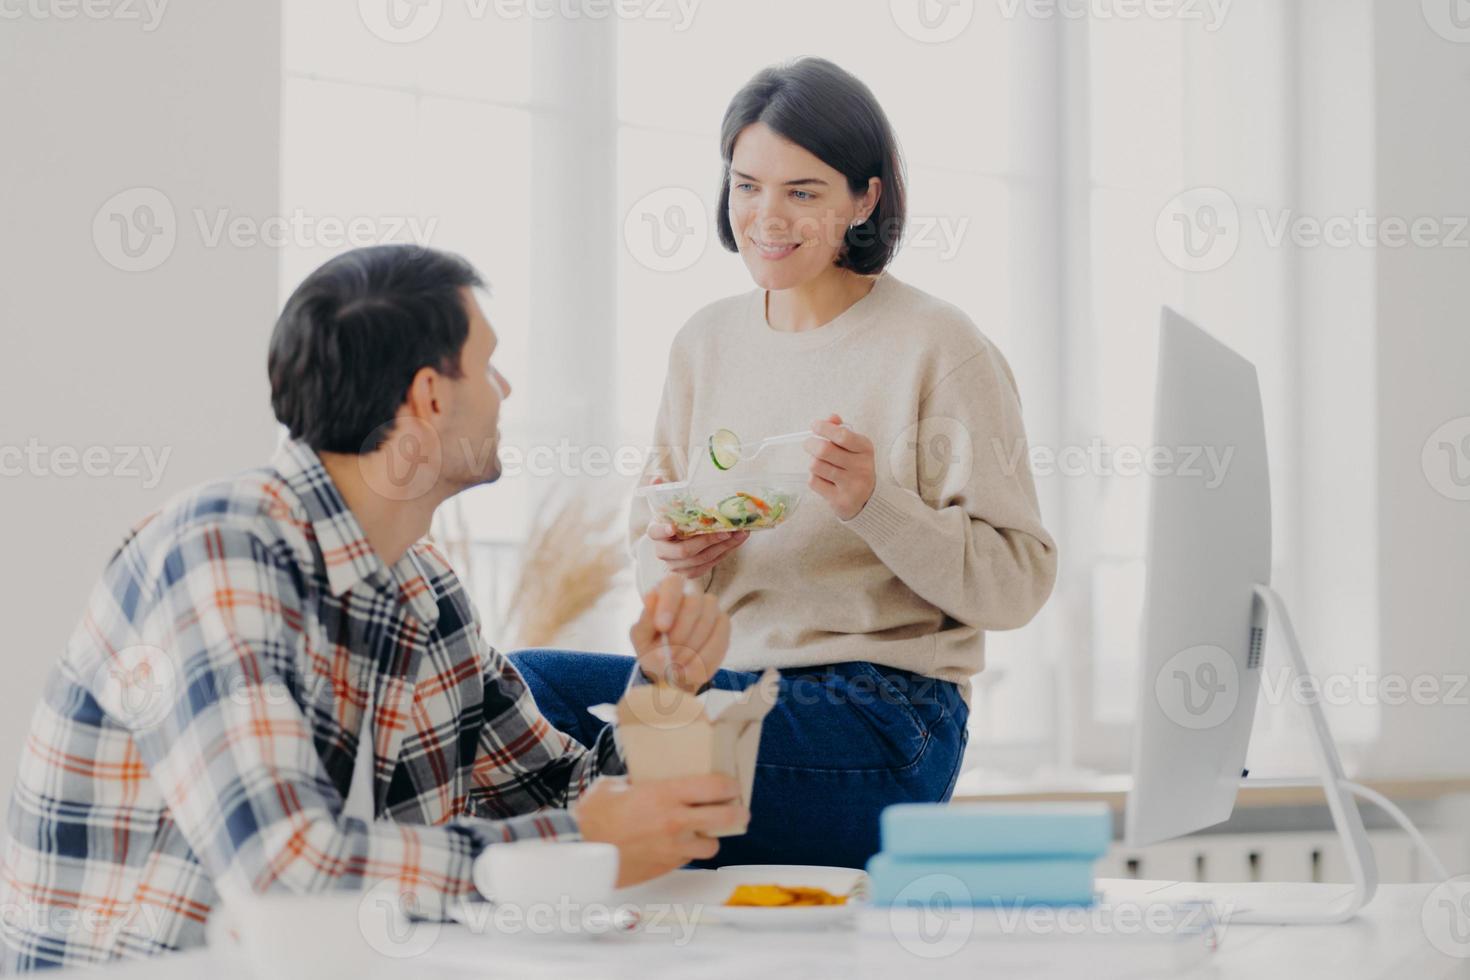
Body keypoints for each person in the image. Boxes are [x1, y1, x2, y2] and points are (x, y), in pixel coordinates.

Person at [0, 245, 742, 970]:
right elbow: (285, 869)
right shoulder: (220, 552)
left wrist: (665, 690)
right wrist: (581, 839)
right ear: (430, 396)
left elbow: (568, 796)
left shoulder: (425, 592)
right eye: (488, 364)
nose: (506, 389)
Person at [511, 58, 1058, 870]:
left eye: (804, 191)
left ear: (864, 200)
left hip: (882, 715)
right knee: (516, 690)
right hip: (727, 685)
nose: (768, 217)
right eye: (747, 185)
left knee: (610, 755)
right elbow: (652, 536)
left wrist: (876, 503)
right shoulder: (705, 342)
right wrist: (676, 560)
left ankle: (599, 841)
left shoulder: (938, 347)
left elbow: (1019, 582)